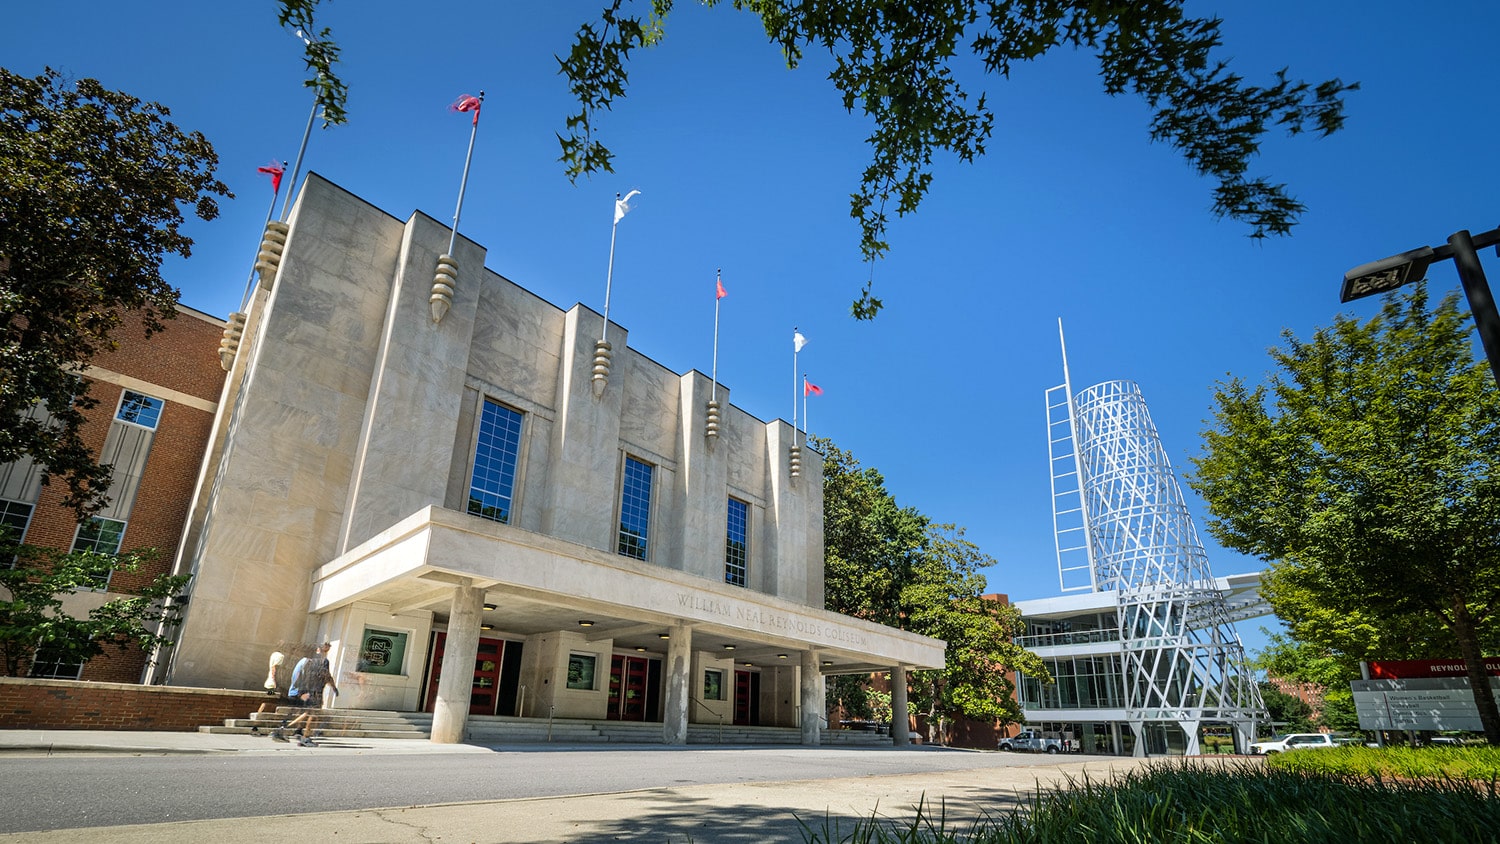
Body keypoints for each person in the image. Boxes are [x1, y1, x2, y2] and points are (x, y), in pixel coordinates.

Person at [271, 643, 338, 746]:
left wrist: (300, 691)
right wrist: (334, 687)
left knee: (306, 713)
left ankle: (284, 730)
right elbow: (326, 675)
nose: (326, 651)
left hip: (306, 691)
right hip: (316, 691)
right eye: (326, 649)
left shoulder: (307, 660)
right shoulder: (323, 661)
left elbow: (299, 676)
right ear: (320, 650)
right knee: (312, 714)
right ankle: (305, 737)